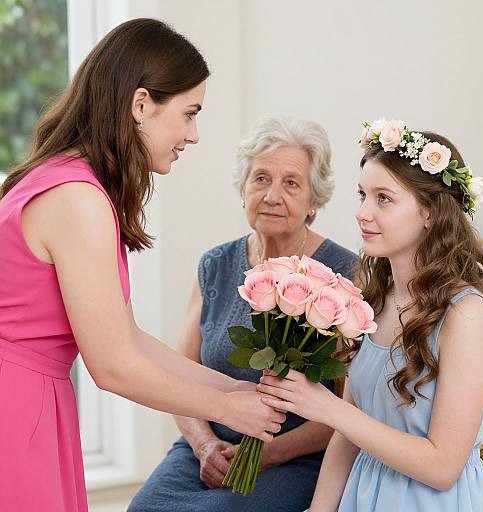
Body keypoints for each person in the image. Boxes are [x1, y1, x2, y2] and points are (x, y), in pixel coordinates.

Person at [0, 19, 285, 512]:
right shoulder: (76, 198)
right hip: (16, 404)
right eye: (189, 114)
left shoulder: (67, 180)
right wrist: (226, 408)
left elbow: (127, 338)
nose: (193, 135)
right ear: (140, 105)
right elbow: (112, 366)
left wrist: (230, 386)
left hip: (29, 399)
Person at [258, 119, 483, 511]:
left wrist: (329, 408)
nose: (362, 212)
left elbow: (443, 466)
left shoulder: (466, 316)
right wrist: (320, 508)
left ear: (429, 212)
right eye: (362, 195)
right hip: (363, 493)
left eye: (383, 198)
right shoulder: (372, 299)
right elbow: (348, 431)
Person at [128, 116, 358, 512]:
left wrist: (271, 452)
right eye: (261, 178)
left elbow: (350, 410)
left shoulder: (341, 276)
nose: (271, 195)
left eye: (291, 183)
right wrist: (204, 445)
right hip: (208, 447)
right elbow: (180, 375)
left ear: (314, 199)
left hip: (295, 457)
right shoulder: (215, 264)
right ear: (243, 188)